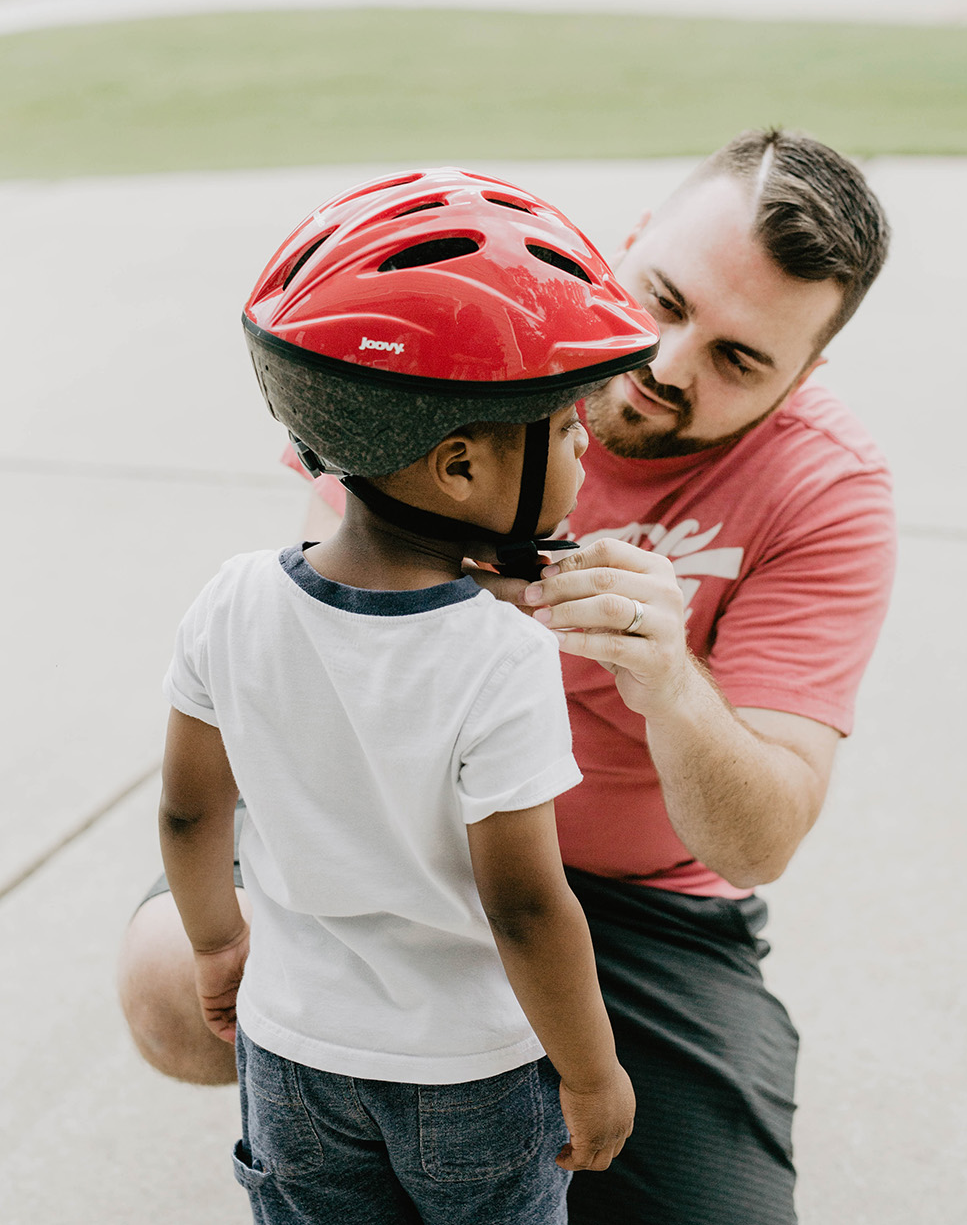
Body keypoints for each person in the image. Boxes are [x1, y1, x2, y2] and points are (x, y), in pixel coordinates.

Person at [120, 128, 895, 1225]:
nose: (666, 369)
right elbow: (324, 608)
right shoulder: (469, 328)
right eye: (664, 301)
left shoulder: (830, 492)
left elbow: (754, 841)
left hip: (639, 908)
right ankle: (363, 1085)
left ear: (805, 375)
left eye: (738, 359)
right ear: (622, 250)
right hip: (383, 828)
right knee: (171, 987)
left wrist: (667, 679)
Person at [157, 170, 654, 1223]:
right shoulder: (499, 656)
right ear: (462, 466)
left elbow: (191, 809)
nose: (584, 448)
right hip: (466, 1074)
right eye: (564, 429)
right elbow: (524, 905)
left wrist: (214, 944)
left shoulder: (232, 598)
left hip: (292, 1051)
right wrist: (592, 1069)